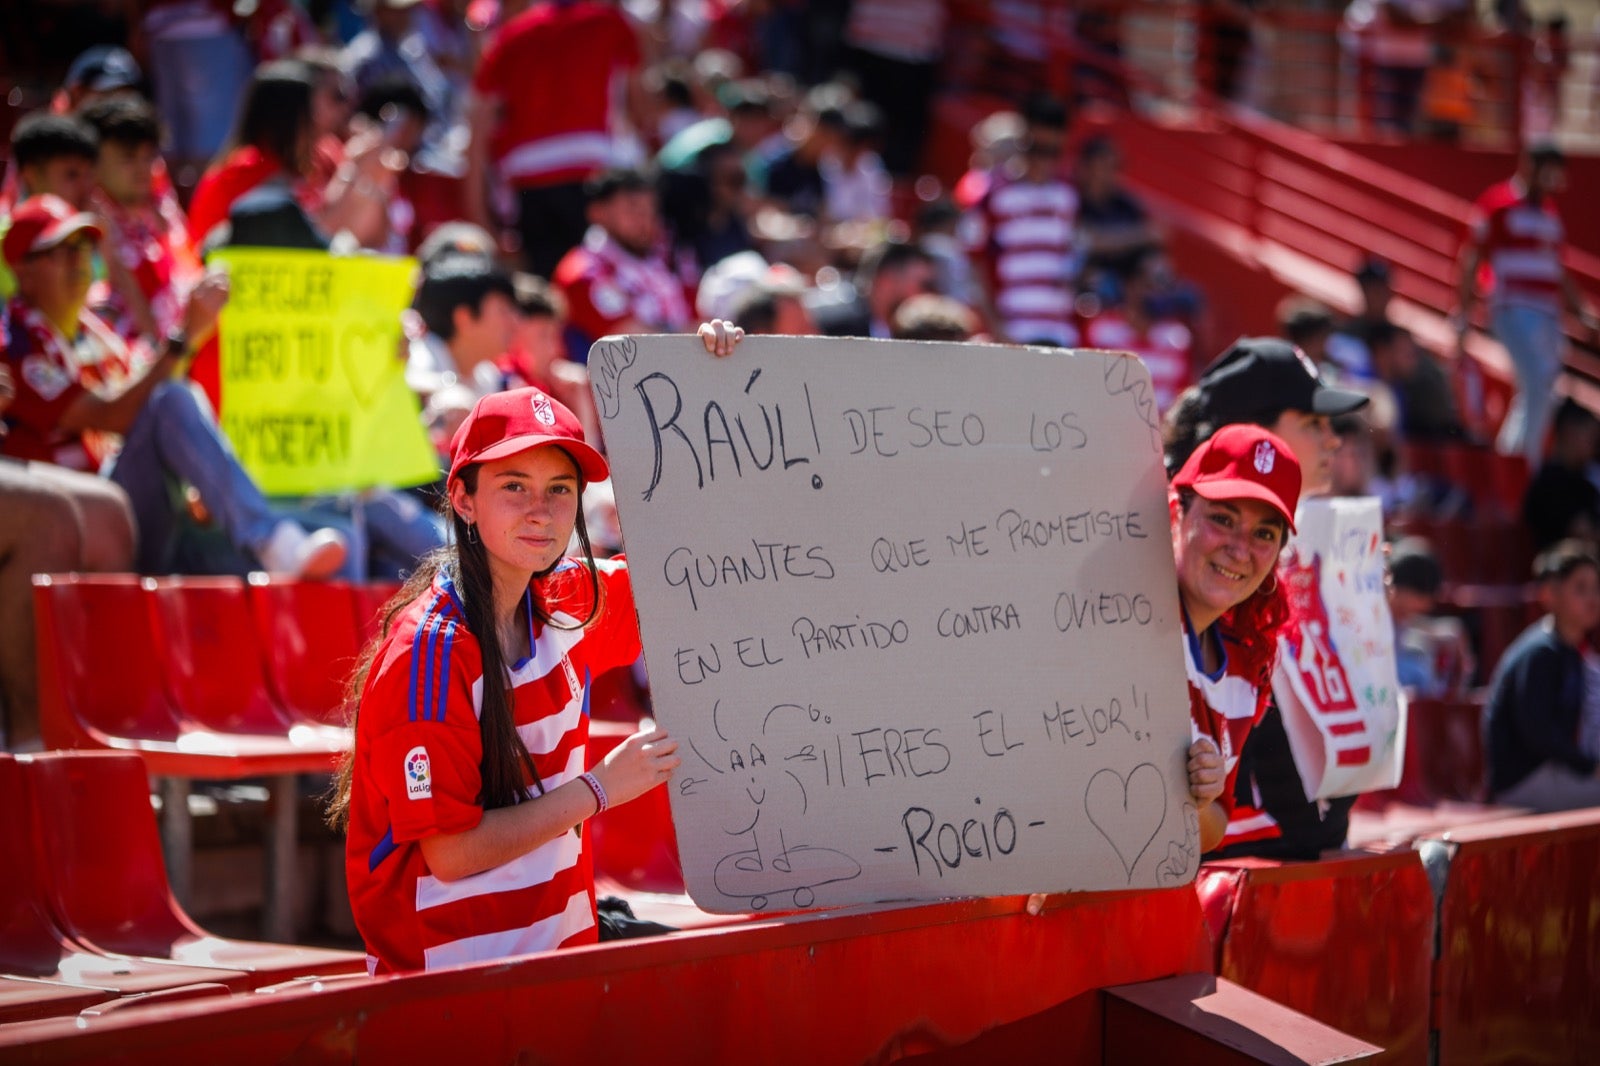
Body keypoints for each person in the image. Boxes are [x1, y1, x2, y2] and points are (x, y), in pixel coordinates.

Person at [329, 322, 742, 974]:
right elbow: (454, 853)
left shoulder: (567, 599)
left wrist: (714, 379)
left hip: (555, 965)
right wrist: (601, 789)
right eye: (514, 486)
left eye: (560, 490)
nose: (541, 512)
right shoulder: (426, 657)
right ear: (462, 499)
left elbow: (703, 564)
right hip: (450, 990)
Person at [0, 193, 347, 580]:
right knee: (171, 399)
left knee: (323, 550)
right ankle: (271, 539)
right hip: (77, 524)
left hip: (133, 511)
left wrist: (199, 476)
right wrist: (186, 336)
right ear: (23, 271)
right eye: (59, 251)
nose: (78, 260)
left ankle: (278, 549)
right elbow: (118, 415)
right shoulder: (14, 343)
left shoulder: (97, 332)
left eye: (83, 247)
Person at [1164, 337, 1375, 858]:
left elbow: (1213, 812)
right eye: (1312, 423)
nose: (1333, 442)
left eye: (1265, 533)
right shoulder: (1139, 599)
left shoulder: (1248, 639)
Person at [1171, 424, 1303, 852]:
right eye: (1222, 519)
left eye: (1264, 534)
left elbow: (1215, 826)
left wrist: (1199, 800)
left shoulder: (1247, 665)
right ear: (1177, 513)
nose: (1240, 549)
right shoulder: (1119, 616)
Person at [1455, 144, 1600, 465]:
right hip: (1512, 309)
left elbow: (1557, 270)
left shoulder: (1549, 214)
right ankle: (1525, 468)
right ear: (1529, 166)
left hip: (1547, 314)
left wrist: (1583, 312)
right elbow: (1471, 259)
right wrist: (1463, 316)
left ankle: (1512, 461)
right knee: (1535, 383)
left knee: (1543, 390)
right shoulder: (1497, 204)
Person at [1484, 540, 1600, 812]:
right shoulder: (1539, 654)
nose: (1593, 599)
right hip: (1524, 780)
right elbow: (1538, 734)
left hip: (1556, 772)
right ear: (1551, 595)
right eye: (1581, 589)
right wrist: (1589, 766)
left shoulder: (1572, 650)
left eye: (1596, 588)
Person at [1522, 398, 1600, 553]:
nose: (1595, 445)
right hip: (1556, 571)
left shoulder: (1586, 480)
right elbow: (1584, 534)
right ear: (1568, 432)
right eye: (1591, 438)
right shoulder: (1550, 482)